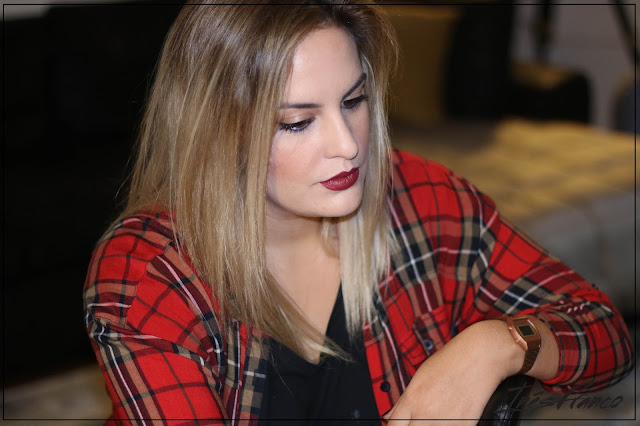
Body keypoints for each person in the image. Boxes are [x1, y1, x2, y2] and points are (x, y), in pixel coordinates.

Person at [83, 1, 634, 424]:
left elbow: (605, 332)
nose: (347, 145)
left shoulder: (420, 196)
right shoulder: (150, 275)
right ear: (215, 133)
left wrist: (500, 345)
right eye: (297, 122)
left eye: (354, 100)